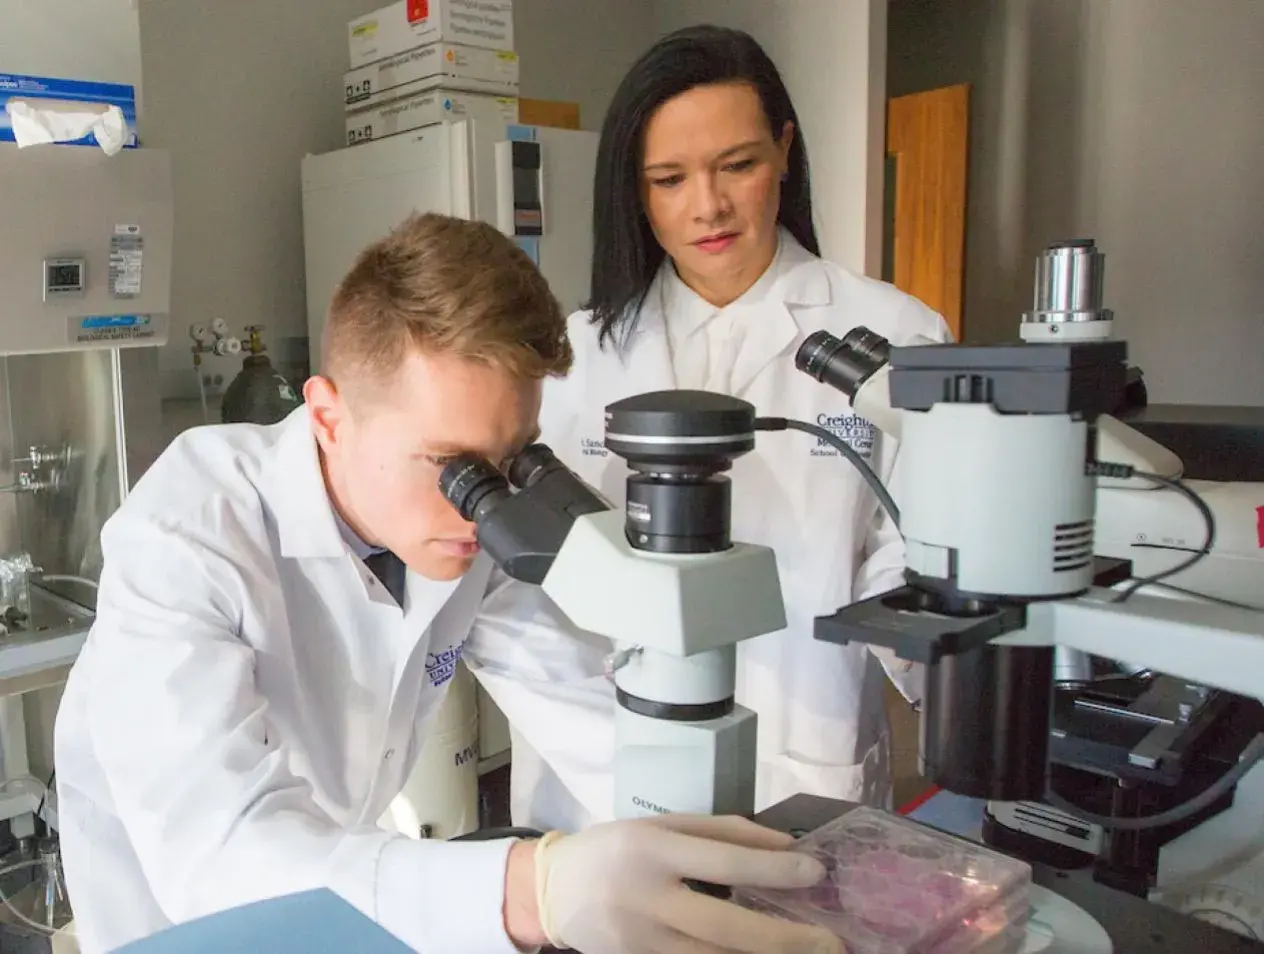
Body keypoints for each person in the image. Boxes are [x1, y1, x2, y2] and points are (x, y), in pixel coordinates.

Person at [52, 213, 844, 954]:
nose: (482, 504)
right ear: (328, 418)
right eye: (448, 464)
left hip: (352, 879)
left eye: (511, 460)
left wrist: (734, 863)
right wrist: (534, 889)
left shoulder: (463, 530)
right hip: (180, 920)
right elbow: (220, 857)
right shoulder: (185, 534)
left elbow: (587, 715)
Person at [473, 24, 951, 832]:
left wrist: (948, 661)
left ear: (785, 152)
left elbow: (916, 562)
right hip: (595, 784)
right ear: (634, 190)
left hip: (798, 762)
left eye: (738, 165)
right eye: (669, 178)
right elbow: (514, 595)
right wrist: (618, 756)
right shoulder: (573, 357)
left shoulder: (895, 335)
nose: (708, 206)